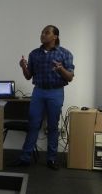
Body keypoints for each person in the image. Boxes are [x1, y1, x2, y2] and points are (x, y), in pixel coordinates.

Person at [15, 25, 74, 170]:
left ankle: (51, 159)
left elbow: (70, 77)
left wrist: (61, 69)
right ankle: (25, 158)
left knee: (53, 126)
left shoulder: (65, 53)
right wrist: (23, 67)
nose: (43, 35)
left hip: (56, 92)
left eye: (47, 33)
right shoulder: (34, 54)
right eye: (42, 32)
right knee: (33, 125)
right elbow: (28, 76)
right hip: (38, 92)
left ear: (55, 36)